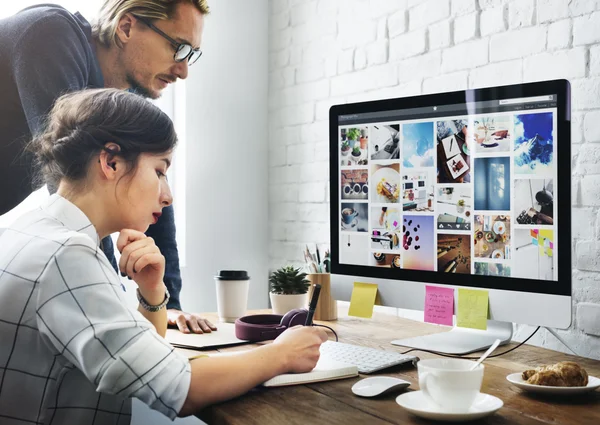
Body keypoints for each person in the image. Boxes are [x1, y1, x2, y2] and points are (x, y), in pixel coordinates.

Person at [0, 88, 328, 424]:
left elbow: (138, 359)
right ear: (111, 162)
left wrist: (153, 292)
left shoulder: (28, 229)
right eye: (159, 171)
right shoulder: (67, 255)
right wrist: (282, 353)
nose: (167, 196)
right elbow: (179, 387)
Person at [0, 0, 212, 333]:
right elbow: (81, 191)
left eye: (191, 54)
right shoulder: (50, 35)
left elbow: (150, 191)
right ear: (126, 27)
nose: (183, 69)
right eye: (178, 48)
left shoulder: (113, 102)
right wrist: (119, 316)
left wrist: (167, 303)